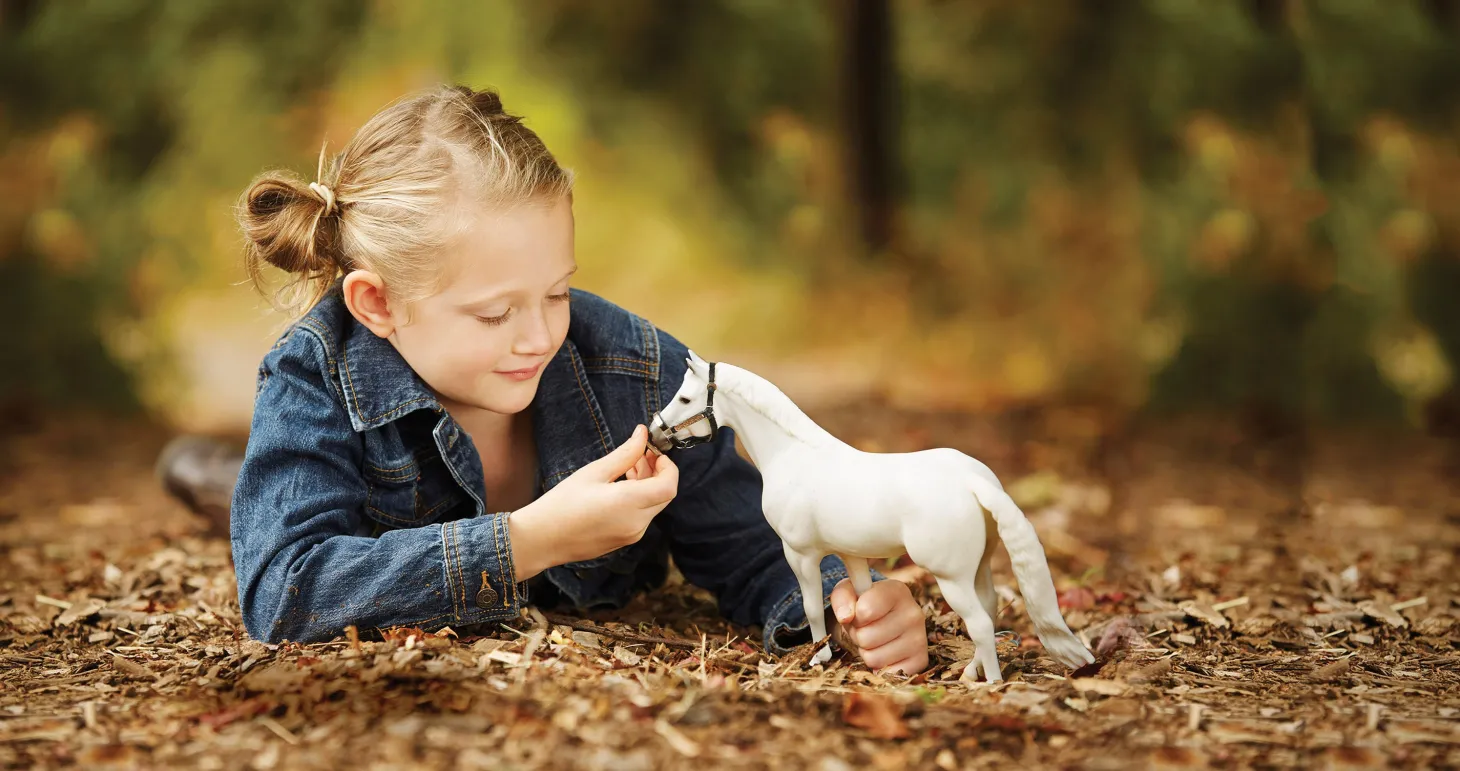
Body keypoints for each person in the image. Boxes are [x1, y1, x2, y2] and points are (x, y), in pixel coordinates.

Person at [159, 85, 929, 674]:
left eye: (557, 292)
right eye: (495, 313)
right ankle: (227, 481)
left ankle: (230, 481)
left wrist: (847, 605)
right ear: (378, 304)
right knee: (276, 512)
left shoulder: (635, 367)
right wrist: (531, 539)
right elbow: (286, 592)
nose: (538, 337)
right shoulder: (314, 372)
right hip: (342, 508)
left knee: (277, 502)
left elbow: (752, 545)